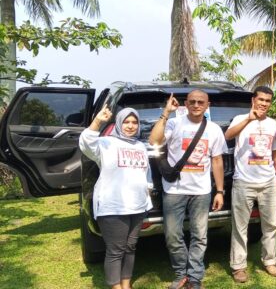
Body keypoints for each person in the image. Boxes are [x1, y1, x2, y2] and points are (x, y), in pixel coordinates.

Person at [149, 91, 227, 289]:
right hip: (175, 190)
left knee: (199, 236)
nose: (196, 105)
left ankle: (194, 277)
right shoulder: (175, 123)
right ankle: (181, 273)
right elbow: (154, 141)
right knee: (173, 235)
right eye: (192, 101)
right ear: (185, 104)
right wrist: (166, 112)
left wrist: (219, 191)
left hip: (201, 191)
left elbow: (217, 160)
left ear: (207, 105)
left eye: (201, 102)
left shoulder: (214, 129)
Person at [79, 106, 152, 289]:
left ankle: (126, 285)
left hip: (137, 206)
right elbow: (86, 142)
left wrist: (147, 191)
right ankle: (115, 286)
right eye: (126, 122)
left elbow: (146, 173)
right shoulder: (106, 144)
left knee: (130, 248)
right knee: (115, 250)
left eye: (134, 122)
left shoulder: (140, 146)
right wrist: (98, 121)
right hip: (113, 206)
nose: (130, 126)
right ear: (119, 123)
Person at [225, 86, 276, 283]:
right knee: (240, 226)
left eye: (268, 101)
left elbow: (275, 151)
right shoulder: (240, 119)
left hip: (268, 182)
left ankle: (270, 261)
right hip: (243, 182)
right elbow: (228, 136)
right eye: (261, 100)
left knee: (271, 224)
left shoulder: (273, 123)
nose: (264, 104)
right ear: (253, 100)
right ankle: (239, 266)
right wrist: (250, 118)